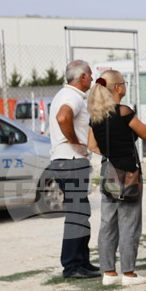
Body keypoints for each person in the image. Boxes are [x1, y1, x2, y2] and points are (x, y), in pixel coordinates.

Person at [86, 70, 146, 286]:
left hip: (109, 171)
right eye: (124, 83)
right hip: (128, 173)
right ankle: (129, 273)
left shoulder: (96, 115)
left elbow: (91, 145)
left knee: (108, 222)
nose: (125, 86)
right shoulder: (124, 112)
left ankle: (109, 272)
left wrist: (110, 152)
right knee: (129, 222)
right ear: (117, 88)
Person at [49, 60, 99, 279]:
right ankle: (71, 266)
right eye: (89, 74)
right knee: (76, 214)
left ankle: (81, 262)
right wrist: (75, 143)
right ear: (82, 78)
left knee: (80, 212)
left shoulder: (64, 94)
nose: (92, 78)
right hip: (70, 161)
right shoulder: (72, 97)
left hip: (66, 162)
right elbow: (63, 117)